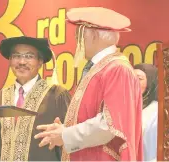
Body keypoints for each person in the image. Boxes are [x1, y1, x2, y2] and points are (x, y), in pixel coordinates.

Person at [34, 7, 143, 161]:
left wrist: (65, 135)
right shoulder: (102, 67)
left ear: (93, 36)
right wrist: (63, 130)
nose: (78, 43)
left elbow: (109, 125)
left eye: (79, 36)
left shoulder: (117, 69)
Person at [0, 36, 71, 161]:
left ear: (40, 61)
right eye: (16, 56)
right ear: (9, 60)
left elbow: (71, 139)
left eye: (29, 56)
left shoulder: (57, 95)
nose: (22, 62)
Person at [134, 63, 158, 161]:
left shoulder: (157, 111)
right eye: (130, 78)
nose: (133, 82)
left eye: (139, 79)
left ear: (150, 83)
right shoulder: (124, 108)